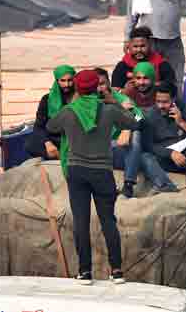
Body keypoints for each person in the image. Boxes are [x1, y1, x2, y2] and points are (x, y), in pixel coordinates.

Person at [48, 70, 137, 285]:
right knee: (108, 221)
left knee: (80, 222)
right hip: (102, 172)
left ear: (77, 88)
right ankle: (117, 271)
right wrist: (114, 102)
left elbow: (51, 126)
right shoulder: (108, 110)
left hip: (76, 171)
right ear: (97, 86)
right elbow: (136, 122)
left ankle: (85, 272)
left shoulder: (69, 111)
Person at [93, 68, 168, 198]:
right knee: (143, 155)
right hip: (98, 150)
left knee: (138, 142)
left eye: (102, 84)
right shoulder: (87, 102)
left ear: (109, 83)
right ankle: (164, 185)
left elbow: (140, 118)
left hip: (121, 147)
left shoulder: (122, 98)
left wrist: (127, 120)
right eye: (95, 85)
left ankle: (128, 185)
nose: (99, 88)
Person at [141, 83, 186, 195]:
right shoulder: (151, 114)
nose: (160, 106)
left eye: (165, 102)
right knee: (144, 156)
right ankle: (166, 186)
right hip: (165, 159)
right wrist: (170, 153)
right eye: (158, 101)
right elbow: (148, 144)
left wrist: (181, 122)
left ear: (174, 99)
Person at [24, 65, 75, 161]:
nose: (67, 84)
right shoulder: (47, 99)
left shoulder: (79, 98)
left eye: (70, 80)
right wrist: (47, 143)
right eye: (63, 81)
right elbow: (39, 126)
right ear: (57, 81)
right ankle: (59, 156)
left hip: (73, 139)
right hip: (54, 139)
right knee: (30, 144)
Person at [111, 26, 177, 96]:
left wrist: (152, 85)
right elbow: (115, 90)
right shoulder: (122, 66)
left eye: (142, 46)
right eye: (135, 46)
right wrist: (126, 91)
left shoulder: (161, 63)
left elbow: (171, 85)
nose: (139, 50)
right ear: (129, 46)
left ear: (150, 44)